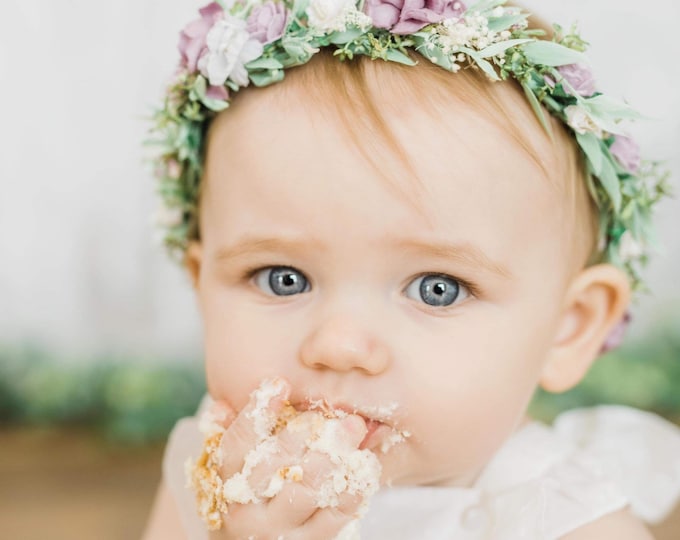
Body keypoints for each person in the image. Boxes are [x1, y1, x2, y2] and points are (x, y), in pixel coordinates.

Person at [142, 0, 679, 538]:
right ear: (203, 286)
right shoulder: (214, 475)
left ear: (570, 327)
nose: (340, 346)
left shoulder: (565, 522)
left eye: (436, 289)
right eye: (283, 278)